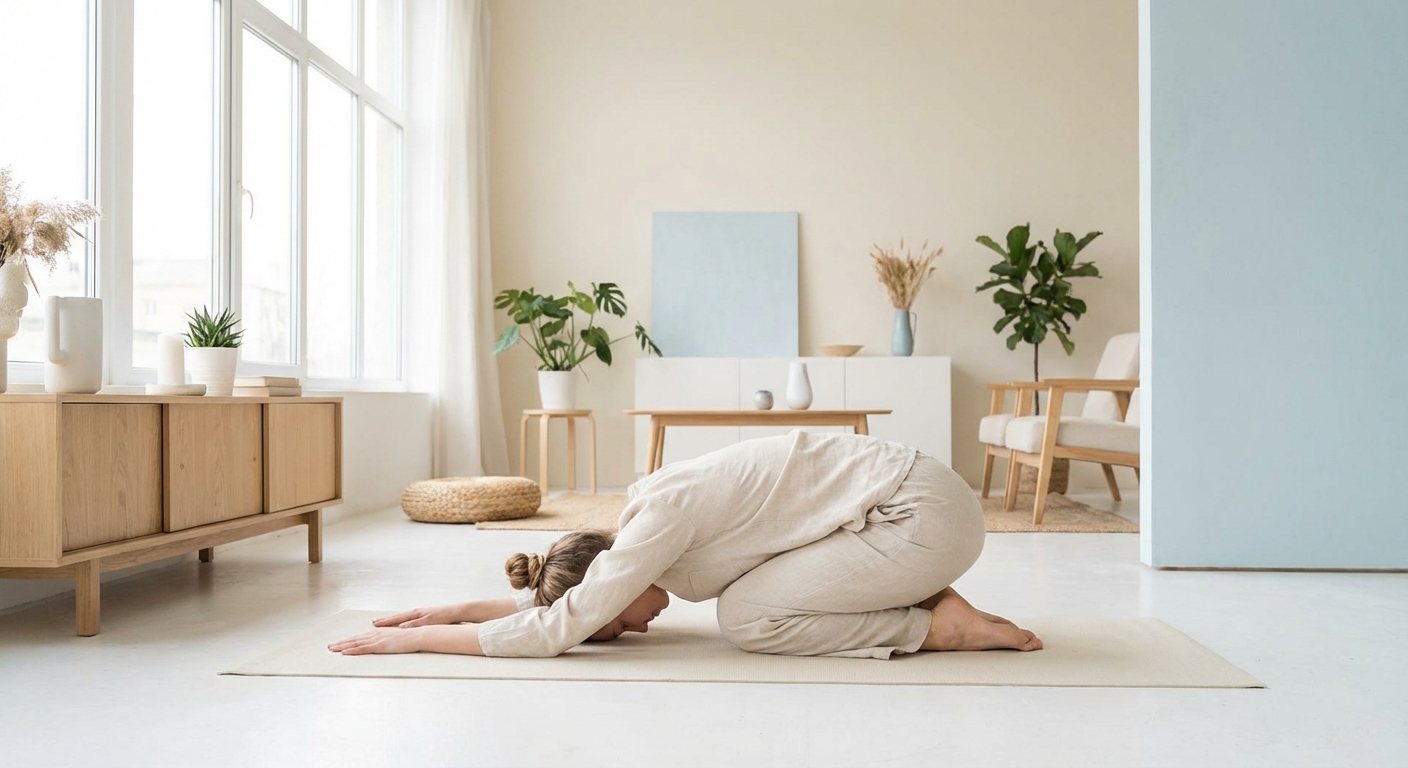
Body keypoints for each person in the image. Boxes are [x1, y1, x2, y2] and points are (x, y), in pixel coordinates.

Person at [329, 431, 1042, 659]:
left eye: (612, 622)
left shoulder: (654, 525)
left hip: (921, 514)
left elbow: (554, 629)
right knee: (755, 596)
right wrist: (450, 609)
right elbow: (565, 602)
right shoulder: (643, 541)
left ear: (605, 579)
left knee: (749, 617)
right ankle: (935, 598)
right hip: (918, 511)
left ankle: (935, 624)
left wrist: (419, 644)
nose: (636, 627)